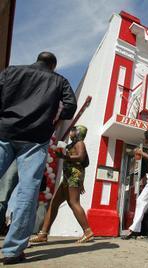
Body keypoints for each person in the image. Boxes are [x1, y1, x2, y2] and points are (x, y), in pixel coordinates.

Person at [0, 52, 77, 264]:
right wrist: (53, 121)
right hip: (35, 138)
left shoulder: (12, 71)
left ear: (37, 60)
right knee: (28, 192)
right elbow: (70, 107)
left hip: (4, 132)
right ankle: (12, 251)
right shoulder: (59, 80)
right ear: (53, 65)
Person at [30, 125, 93, 244]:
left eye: (73, 131)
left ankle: (88, 232)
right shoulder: (73, 144)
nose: (71, 133)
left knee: (73, 202)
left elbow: (81, 157)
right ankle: (43, 234)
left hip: (73, 177)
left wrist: (64, 156)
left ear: (78, 132)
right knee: (54, 203)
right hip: (68, 178)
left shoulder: (80, 143)